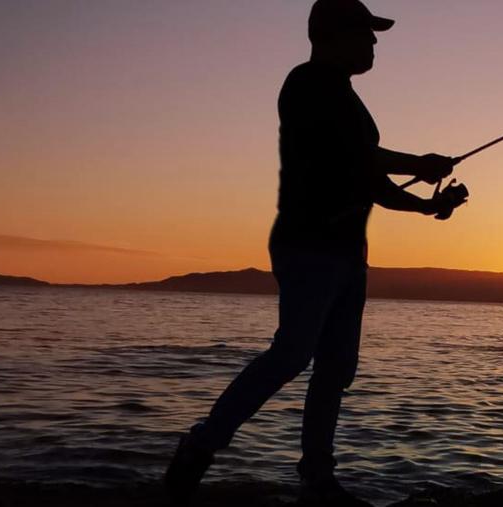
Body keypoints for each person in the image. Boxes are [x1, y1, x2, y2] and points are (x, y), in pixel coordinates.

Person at [164, 1, 468, 505]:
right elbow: (357, 158)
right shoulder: (306, 85)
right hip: (308, 245)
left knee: (336, 365)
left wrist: (428, 206)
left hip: (347, 250)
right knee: (291, 354)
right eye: (365, 35)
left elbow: (369, 181)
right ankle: (199, 449)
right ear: (332, 36)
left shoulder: (349, 99)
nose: (374, 44)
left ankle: (317, 478)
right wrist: (419, 161)